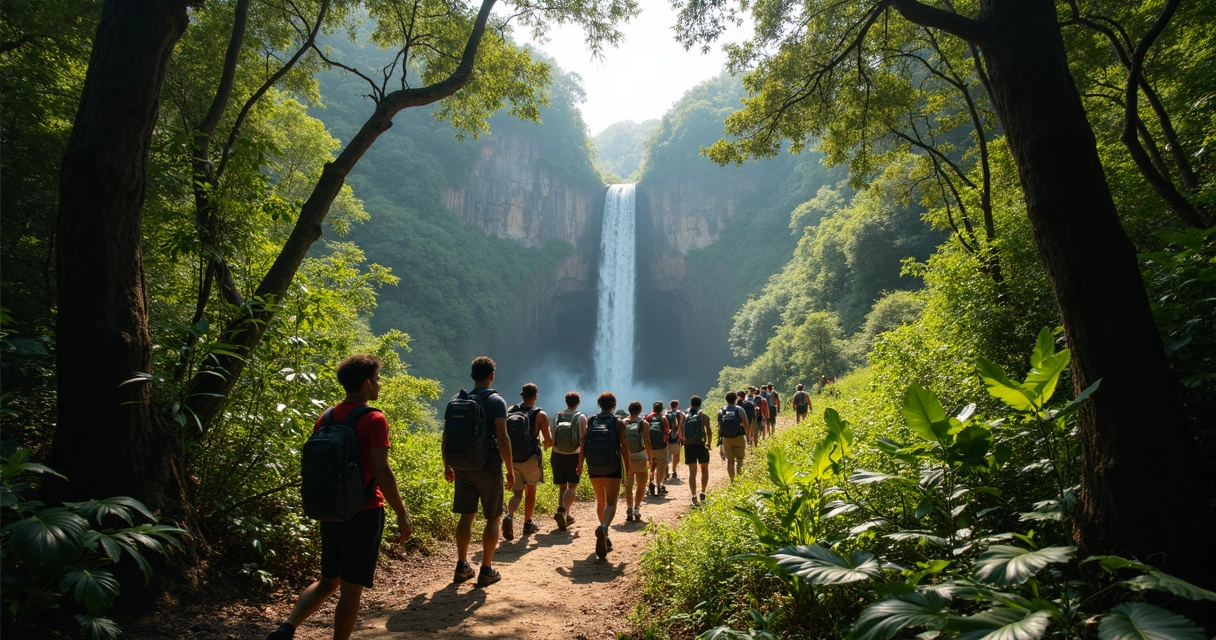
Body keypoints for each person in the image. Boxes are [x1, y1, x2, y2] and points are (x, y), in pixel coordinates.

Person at [267, 355, 411, 640]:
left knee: (327, 581)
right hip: (365, 510)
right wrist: (402, 513)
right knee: (350, 588)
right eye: (378, 380)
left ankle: (287, 628)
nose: (379, 385)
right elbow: (383, 470)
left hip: (330, 509)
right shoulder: (374, 418)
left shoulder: (326, 417)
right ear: (367, 383)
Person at [444, 356, 514, 587]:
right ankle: (486, 568)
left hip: (462, 466)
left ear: (473, 375)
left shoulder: (458, 400)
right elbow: (503, 438)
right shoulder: (496, 401)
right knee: (493, 516)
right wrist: (511, 470)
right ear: (492, 375)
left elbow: (446, 436)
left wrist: (447, 465)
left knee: (467, 516)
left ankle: (462, 565)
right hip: (488, 466)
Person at [579, 392, 632, 559]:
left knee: (600, 501)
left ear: (599, 405)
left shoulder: (592, 420)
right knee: (611, 503)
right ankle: (604, 528)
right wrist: (628, 466)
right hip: (612, 467)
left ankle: (605, 535)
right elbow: (624, 447)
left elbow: (584, 443)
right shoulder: (618, 423)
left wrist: (580, 463)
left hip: (594, 466)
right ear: (614, 405)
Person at [504, 383, 552, 539]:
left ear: (521, 395)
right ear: (536, 396)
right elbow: (548, 442)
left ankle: (509, 516)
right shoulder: (540, 415)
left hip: (512, 457)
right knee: (531, 492)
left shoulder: (510, 411)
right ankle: (527, 524)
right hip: (531, 457)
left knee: (517, 494)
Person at [550, 391, 587, 531]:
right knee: (572, 486)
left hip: (557, 454)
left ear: (566, 402)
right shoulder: (581, 417)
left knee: (562, 487)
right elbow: (582, 441)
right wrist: (581, 461)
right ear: (578, 402)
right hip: (574, 455)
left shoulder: (557, 416)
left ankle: (564, 512)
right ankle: (565, 512)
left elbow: (552, 436)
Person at [622, 401, 652, 522]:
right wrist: (650, 458)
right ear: (640, 411)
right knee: (641, 484)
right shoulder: (643, 423)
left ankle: (629, 508)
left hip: (627, 456)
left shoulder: (623, 422)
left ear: (629, 410)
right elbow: (647, 441)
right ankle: (637, 509)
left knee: (629, 485)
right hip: (640, 456)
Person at [681, 395, 711, 505]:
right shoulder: (703, 417)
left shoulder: (685, 416)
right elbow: (709, 431)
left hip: (689, 445)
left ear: (690, 404)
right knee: (704, 469)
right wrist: (709, 443)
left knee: (692, 473)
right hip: (701, 445)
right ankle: (703, 492)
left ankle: (693, 495)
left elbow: (681, 430)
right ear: (700, 404)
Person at [718, 391, 750, 482]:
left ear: (726, 400)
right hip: (738, 436)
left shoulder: (721, 410)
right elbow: (746, 424)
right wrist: (748, 436)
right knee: (740, 459)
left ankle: (732, 480)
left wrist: (720, 443)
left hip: (726, 439)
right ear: (736, 399)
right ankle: (740, 479)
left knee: (730, 461)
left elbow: (719, 427)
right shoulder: (739, 409)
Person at [644, 401, 670, 496]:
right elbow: (667, 432)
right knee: (661, 467)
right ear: (662, 409)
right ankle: (659, 486)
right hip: (661, 447)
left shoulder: (647, 417)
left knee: (651, 466)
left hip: (650, 447)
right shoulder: (663, 418)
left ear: (653, 408)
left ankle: (649, 485)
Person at [665, 399, 684, 481]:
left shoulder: (665, 414)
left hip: (666, 439)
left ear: (670, 406)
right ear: (677, 406)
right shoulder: (680, 413)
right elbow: (681, 426)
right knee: (676, 455)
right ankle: (674, 471)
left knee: (666, 456)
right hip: (676, 437)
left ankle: (666, 472)